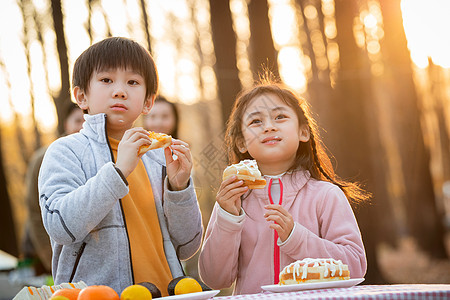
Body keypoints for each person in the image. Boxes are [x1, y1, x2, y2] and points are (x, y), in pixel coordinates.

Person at [38, 37, 202, 295]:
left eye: (133, 82)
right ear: (81, 96)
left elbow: (187, 246)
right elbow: (61, 227)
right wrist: (117, 172)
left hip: (165, 292)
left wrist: (179, 188)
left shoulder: (158, 156)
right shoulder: (66, 151)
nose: (120, 91)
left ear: (148, 102)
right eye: (106, 80)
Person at [198, 79, 369, 295]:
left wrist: (296, 238)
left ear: (303, 132)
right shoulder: (233, 200)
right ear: (241, 143)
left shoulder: (326, 195)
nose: (269, 126)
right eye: (256, 122)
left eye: (280, 117)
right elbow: (215, 278)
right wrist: (227, 219)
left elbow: (355, 266)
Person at [22, 103, 84, 275]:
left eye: (86, 121)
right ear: (66, 124)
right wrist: (50, 258)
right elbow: (34, 211)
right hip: (42, 253)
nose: (82, 126)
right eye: (77, 120)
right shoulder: (45, 157)